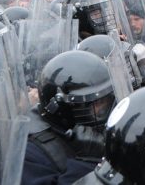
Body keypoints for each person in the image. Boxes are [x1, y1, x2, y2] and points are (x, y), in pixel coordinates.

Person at [22, 51, 116, 185]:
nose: (108, 110)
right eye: (99, 104)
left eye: (108, 100)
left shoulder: (101, 126)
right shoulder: (30, 153)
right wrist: (87, 161)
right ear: (64, 109)